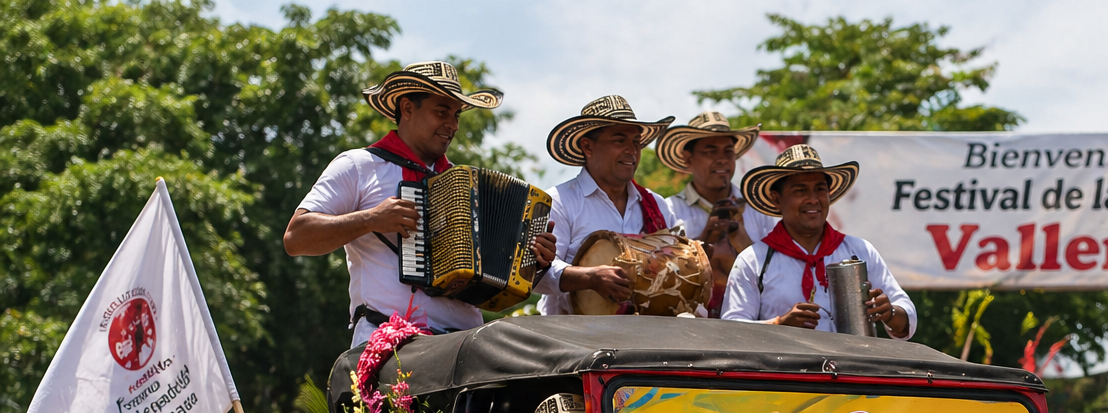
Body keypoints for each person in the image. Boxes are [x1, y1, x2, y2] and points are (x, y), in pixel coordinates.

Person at [284, 62, 518, 348]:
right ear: (407, 108)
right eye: (442, 112)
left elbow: (492, 283)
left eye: (456, 115)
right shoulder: (359, 166)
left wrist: (531, 261)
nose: (453, 125)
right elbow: (296, 237)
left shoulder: (465, 187)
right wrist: (370, 219)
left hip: (465, 347)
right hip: (389, 344)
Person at [723, 145, 916, 338]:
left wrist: (889, 312)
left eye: (820, 189)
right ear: (777, 199)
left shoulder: (860, 251)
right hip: (784, 368)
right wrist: (779, 324)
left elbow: (907, 317)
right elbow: (731, 330)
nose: (813, 199)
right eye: (800, 191)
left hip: (853, 367)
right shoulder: (753, 261)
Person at [535, 96, 675, 315]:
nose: (632, 150)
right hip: (573, 341)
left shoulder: (657, 205)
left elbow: (675, 269)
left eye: (636, 142)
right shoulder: (558, 202)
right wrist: (589, 278)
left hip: (644, 339)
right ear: (588, 147)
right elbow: (536, 276)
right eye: (620, 141)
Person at [655, 112, 777, 315]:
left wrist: (744, 242)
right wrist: (702, 243)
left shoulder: (758, 210)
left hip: (756, 323)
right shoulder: (669, 211)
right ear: (688, 159)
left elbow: (777, 275)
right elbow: (662, 281)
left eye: (728, 152)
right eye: (710, 152)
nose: (722, 160)